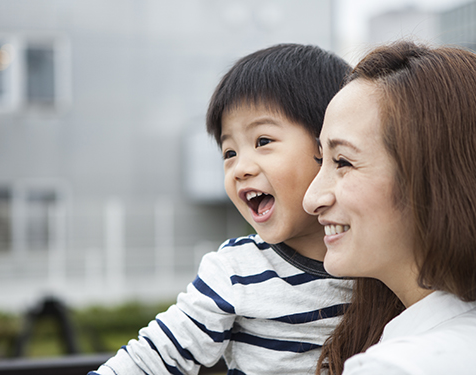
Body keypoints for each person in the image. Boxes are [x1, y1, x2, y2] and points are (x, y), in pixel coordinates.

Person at [89, 43, 353, 375]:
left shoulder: (374, 260)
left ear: (330, 146)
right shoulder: (236, 271)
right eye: (229, 153)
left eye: (263, 141)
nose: (240, 168)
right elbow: (152, 359)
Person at [303, 40, 476, 375]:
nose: (311, 199)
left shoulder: (398, 366)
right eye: (321, 160)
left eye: (344, 162)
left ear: (437, 179)